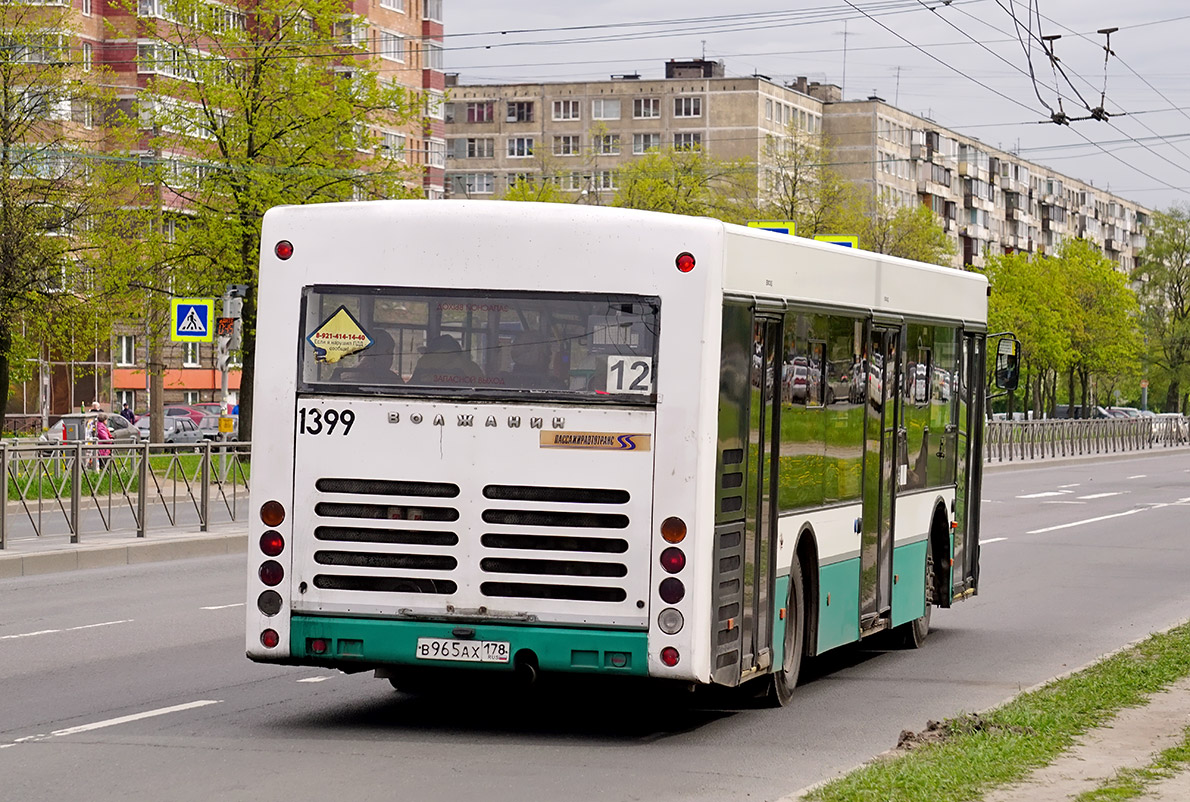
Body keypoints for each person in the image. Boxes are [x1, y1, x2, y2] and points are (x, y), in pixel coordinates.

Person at [334, 328, 404, 385]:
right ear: (376, 352)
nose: (392, 358)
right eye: (389, 353)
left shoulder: (343, 375)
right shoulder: (392, 380)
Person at [409, 334, 484, 385]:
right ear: (457, 349)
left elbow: (410, 387)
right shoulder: (470, 366)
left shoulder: (424, 362)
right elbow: (483, 389)